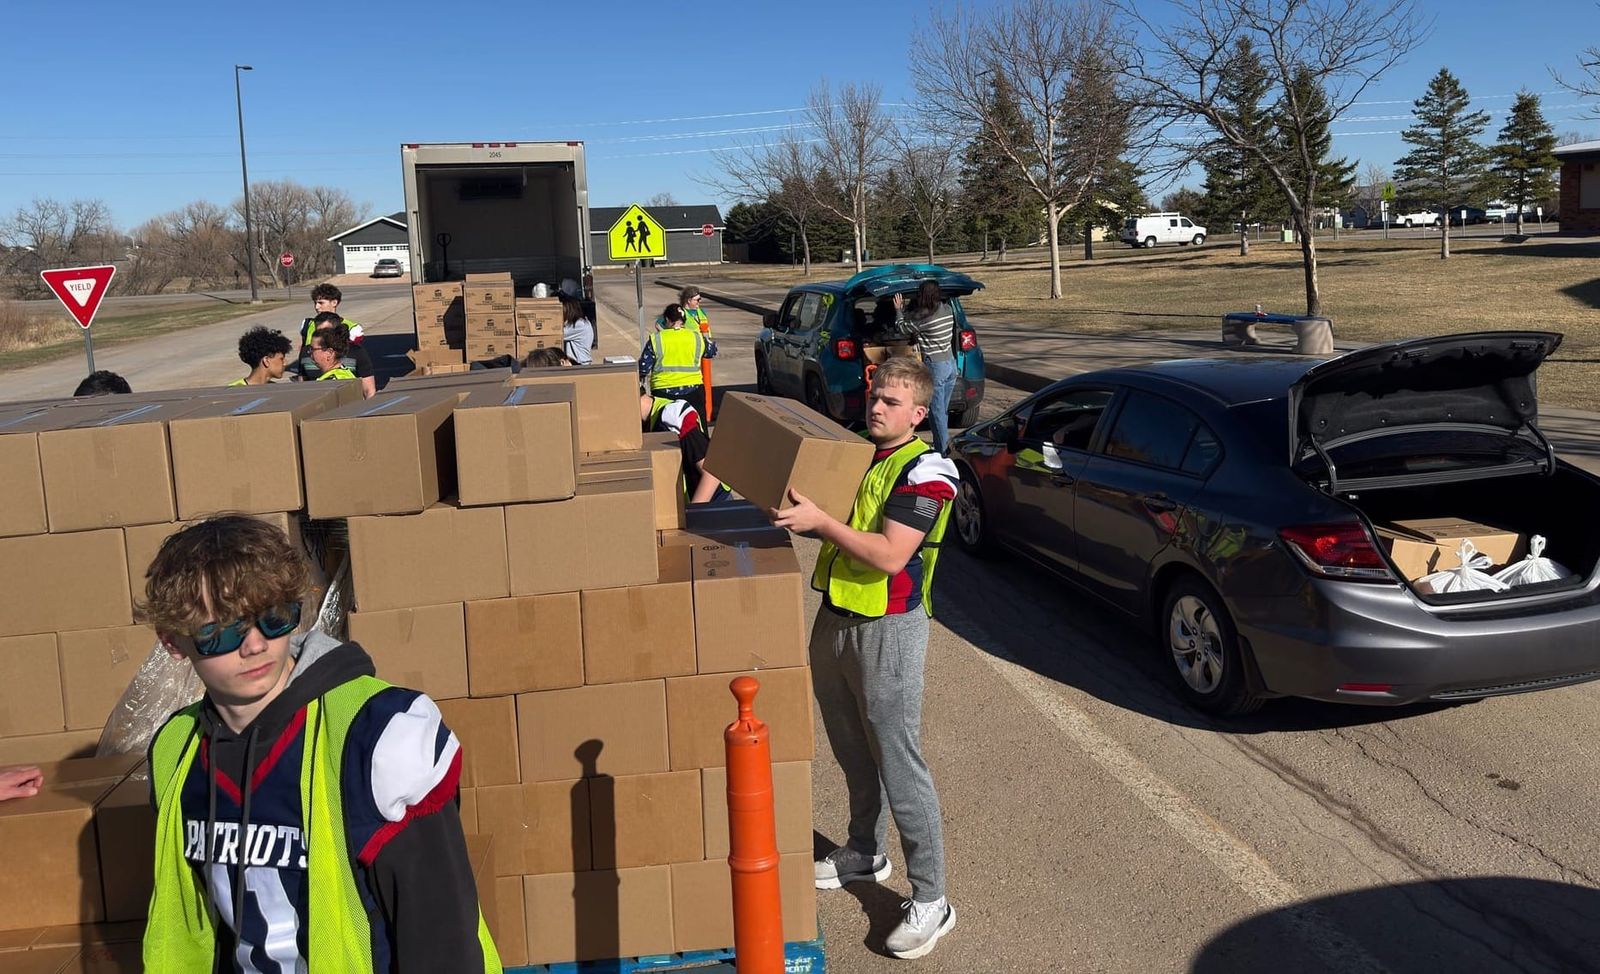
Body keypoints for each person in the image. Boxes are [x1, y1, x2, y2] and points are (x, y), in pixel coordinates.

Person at [136, 515, 500, 971]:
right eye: (223, 632)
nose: (255, 646)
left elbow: (441, 937)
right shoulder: (178, 749)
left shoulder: (378, 734)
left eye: (274, 618)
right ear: (174, 643)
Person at [768, 356, 959, 960]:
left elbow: (889, 555)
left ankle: (932, 898)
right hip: (836, 617)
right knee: (851, 748)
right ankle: (864, 851)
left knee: (899, 763)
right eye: (875, 396)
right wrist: (804, 518)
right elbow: (840, 527)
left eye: (892, 402)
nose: (877, 406)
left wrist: (822, 522)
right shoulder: (858, 455)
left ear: (919, 413)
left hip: (889, 630)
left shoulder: (928, 471)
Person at [892, 281, 959, 454]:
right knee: (942, 411)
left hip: (936, 367)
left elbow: (901, 328)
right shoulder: (947, 309)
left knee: (937, 413)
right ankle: (943, 445)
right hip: (951, 365)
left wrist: (898, 309)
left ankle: (943, 452)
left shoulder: (925, 320)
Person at [640, 391, 728, 505]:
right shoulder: (645, 424)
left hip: (713, 501)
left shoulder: (673, 417)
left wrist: (694, 512)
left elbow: (712, 472)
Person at [639, 302, 715, 417]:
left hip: (663, 392)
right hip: (693, 390)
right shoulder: (696, 337)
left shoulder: (656, 339)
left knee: (665, 425)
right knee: (696, 424)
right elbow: (711, 352)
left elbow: (643, 368)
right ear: (684, 320)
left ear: (667, 319)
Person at [298, 311, 376, 397]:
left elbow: (369, 390)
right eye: (318, 332)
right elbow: (301, 388)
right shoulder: (306, 352)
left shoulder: (356, 351)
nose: (321, 336)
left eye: (325, 332)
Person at [559, 295, 594, 365]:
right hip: (580, 362)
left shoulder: (578, 325)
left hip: (580, 363)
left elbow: (558, 334)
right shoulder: (581, 323)